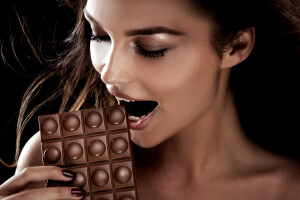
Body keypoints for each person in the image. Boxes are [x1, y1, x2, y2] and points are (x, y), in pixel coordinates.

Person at [1, 0, 300, 199]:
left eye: (150, 47)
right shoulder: (58, 160)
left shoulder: (288, 190)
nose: (110, 74)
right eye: (99, 35)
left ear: (236, 45)